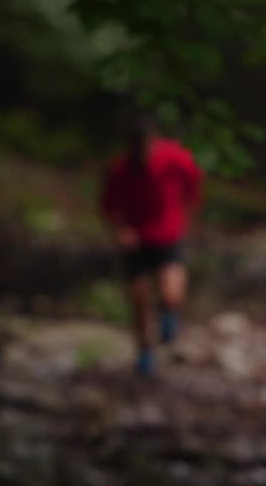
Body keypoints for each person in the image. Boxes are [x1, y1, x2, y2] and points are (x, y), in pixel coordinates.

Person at [99, 113, 204, 377]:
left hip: (168, 234)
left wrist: (186, 215)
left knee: (171, 290)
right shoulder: (121, 168)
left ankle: (170, 315)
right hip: (137, 241)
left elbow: (193, 188)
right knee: (139, 300)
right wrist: (121, 231)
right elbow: (109, 206)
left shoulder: (176, 159)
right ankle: (145, 352)